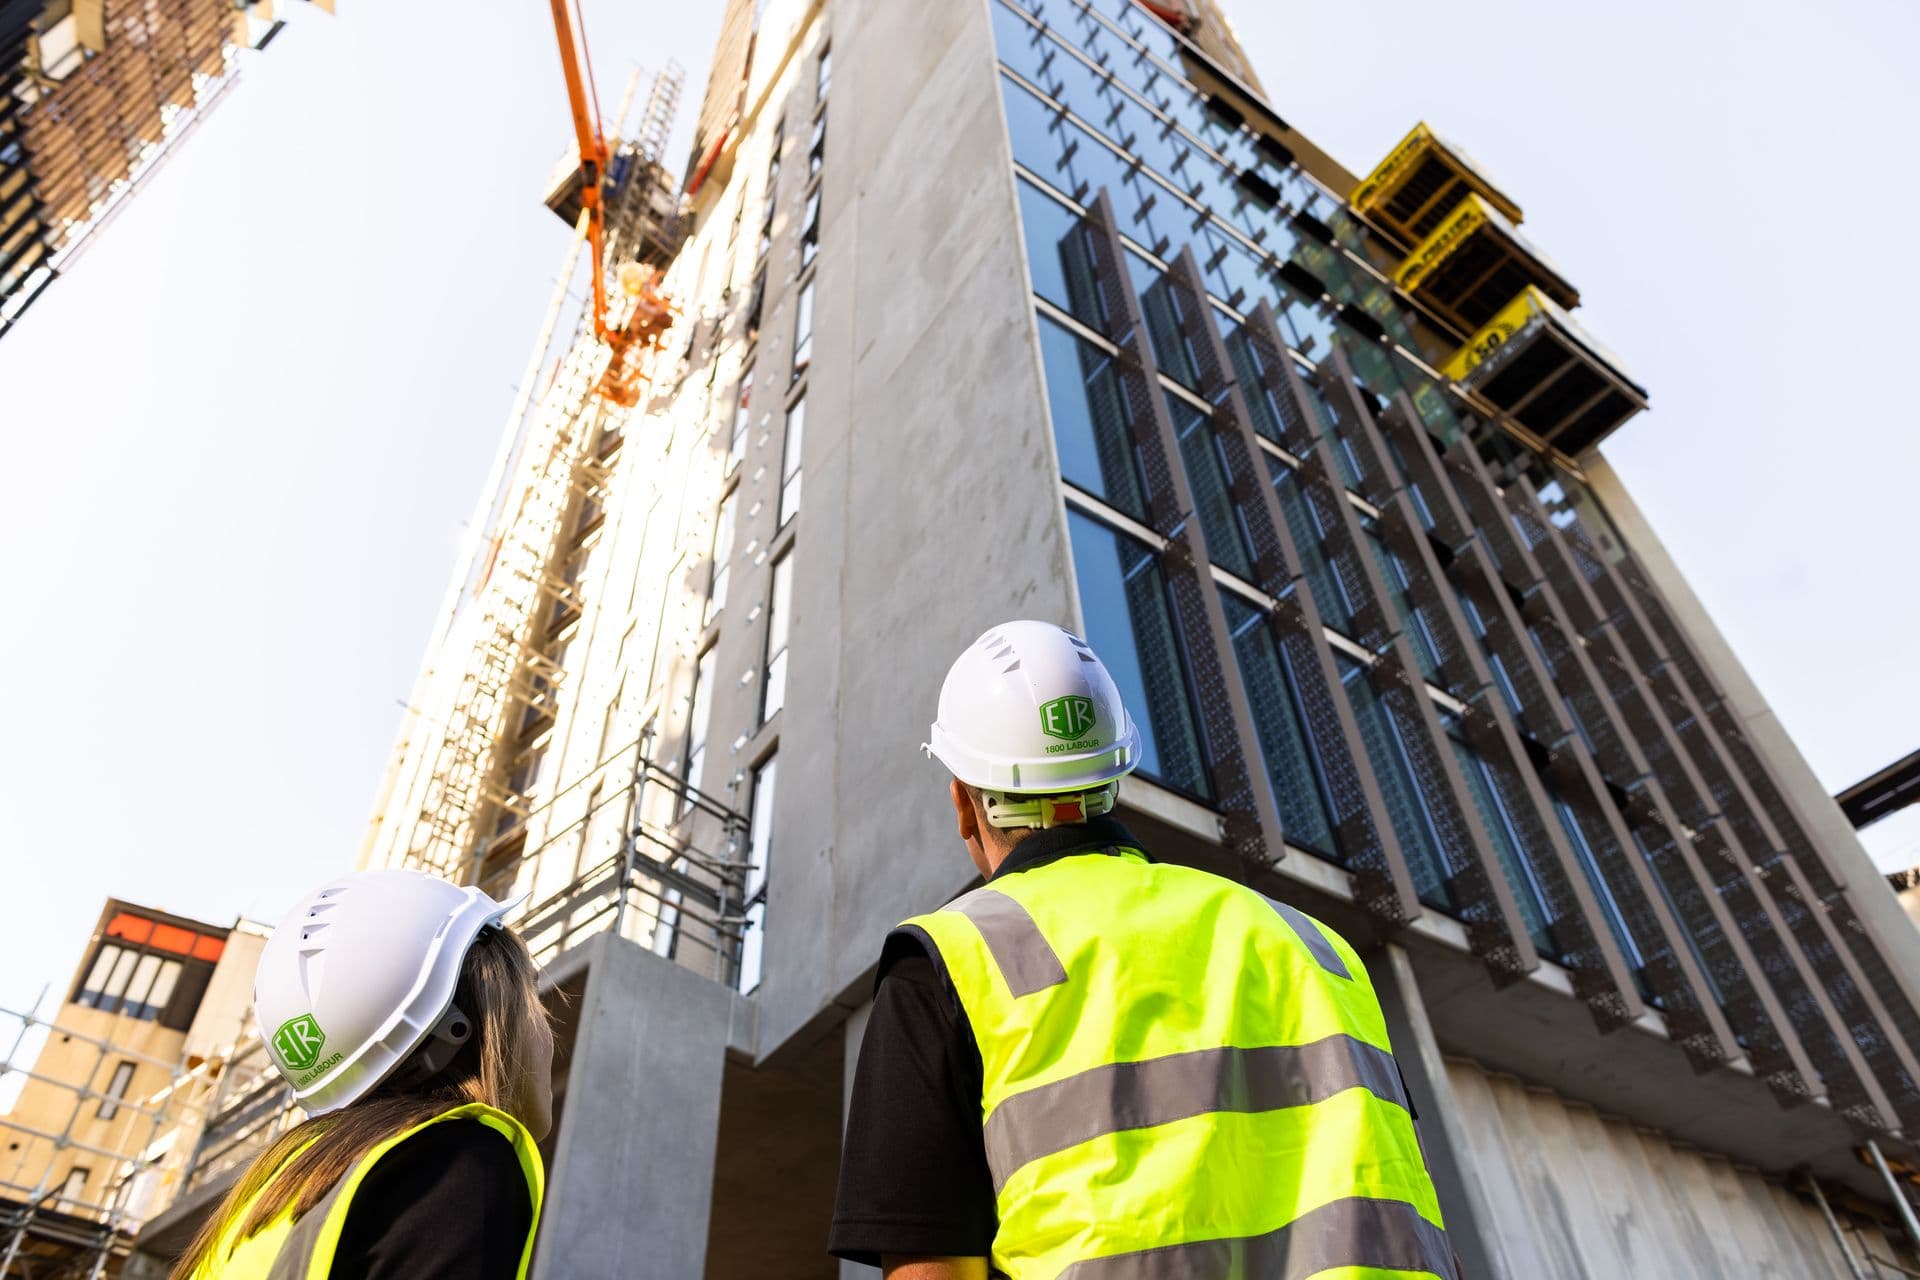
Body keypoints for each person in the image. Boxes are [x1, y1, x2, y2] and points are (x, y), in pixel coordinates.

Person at [829, 620, 1459, 1280]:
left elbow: (930, 1272)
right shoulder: (1315, 947)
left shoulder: (951, 963)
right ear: (1113, 778)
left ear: (964, 803)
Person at [172, 870, 552, 1279]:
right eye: (533, 993)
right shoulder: (449, 1172)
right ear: (460, 1025)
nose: (546, 1023)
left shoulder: (270, 1195)